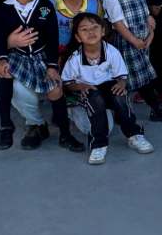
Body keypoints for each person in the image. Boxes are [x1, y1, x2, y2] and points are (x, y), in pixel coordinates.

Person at [0, 0, 82, 152]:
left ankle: (65, 134)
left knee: (55, 89)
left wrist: (52, 65)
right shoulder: (3, 9)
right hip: (17, 56)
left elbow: (52, 37)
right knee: (4, 75)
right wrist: (1, 58)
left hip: (42, 57)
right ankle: (9, 125)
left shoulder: (45, 6)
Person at [60, 12, 155, 166]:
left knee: (120, 96)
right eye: (84, 29)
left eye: (95, 27)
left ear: (103, 31)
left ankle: (134, 135)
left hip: (107, 86)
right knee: (95, 100)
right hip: (87, 90)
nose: (91, 32)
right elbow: (68, 83)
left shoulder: (111, 51)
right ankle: (99, 144)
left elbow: (122, 75)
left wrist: (122, 84)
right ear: (78, 37)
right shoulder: (75, 58)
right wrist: (81, 86)